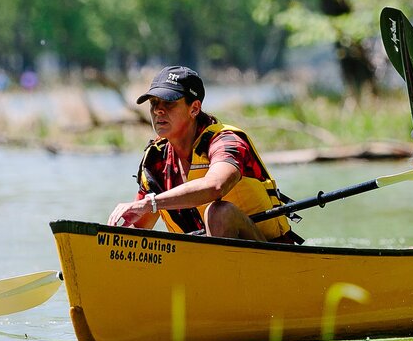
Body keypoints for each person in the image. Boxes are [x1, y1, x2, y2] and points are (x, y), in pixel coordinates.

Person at [107, 66, 300, 242]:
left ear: (194, 108)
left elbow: (215, 186)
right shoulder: (156, 158)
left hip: (268, 255)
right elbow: (137, 228)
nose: (158, 110)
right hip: (204, 261)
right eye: (154, 103)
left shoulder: (227, 141)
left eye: (169, 102)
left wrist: (151, 202)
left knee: (219, 213)